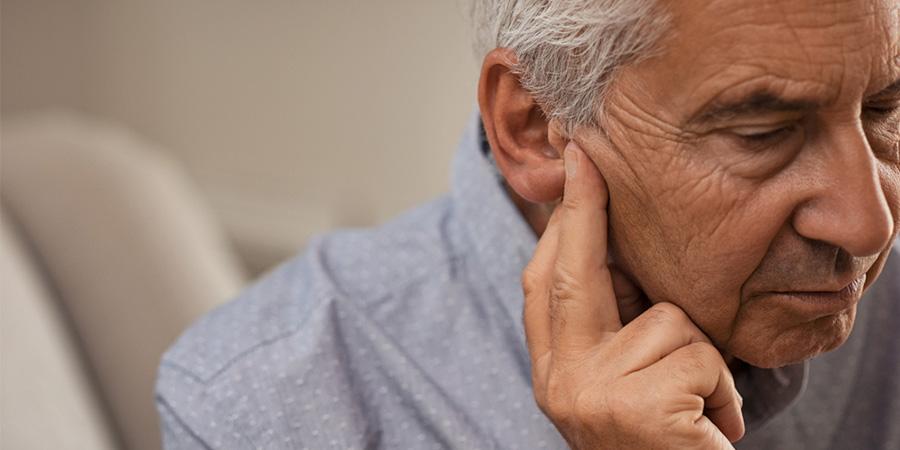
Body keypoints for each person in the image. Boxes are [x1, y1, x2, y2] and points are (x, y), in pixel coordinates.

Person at [156, 0, 900, 448]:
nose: (867, 224)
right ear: (536, 126)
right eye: (762, 133)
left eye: (885, 109)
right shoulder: (265, 408)